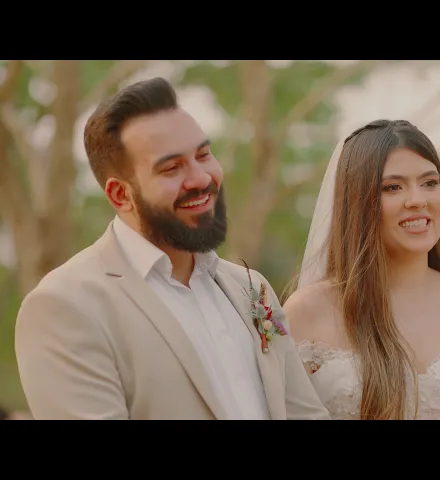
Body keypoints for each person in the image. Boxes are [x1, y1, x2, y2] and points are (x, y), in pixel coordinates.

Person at [14, 77, 330, 420]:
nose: (201, 178)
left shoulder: (251, 287)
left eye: (203, 155)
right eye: (171, 168)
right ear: (120, 195)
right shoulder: (65, 305)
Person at [283, 119, 440, 420]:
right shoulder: (308, 311)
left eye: (429, 183)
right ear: (357, 202)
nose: (417, 200)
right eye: (392, 187)